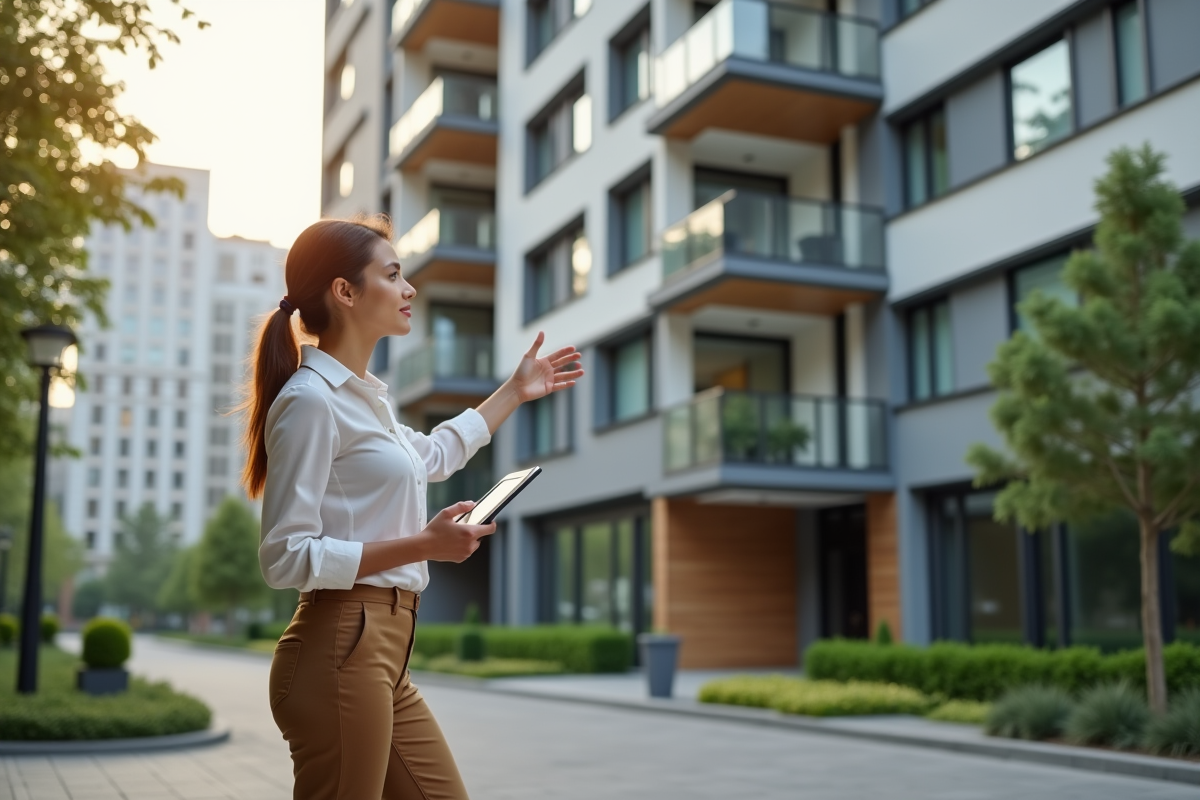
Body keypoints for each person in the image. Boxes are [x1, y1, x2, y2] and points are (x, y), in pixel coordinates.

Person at [239, 215, 583, 799]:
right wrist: (425, 545)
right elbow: (284, 556)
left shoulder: (365, 398)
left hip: (385, 657)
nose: (410, 290)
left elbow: (429, 456)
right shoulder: (310, 402)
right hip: (341, 648)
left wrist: (515, 391)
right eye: (394, 275)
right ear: (345, 292)